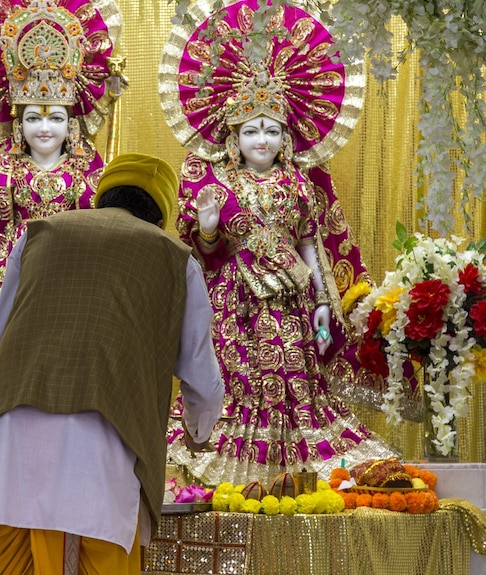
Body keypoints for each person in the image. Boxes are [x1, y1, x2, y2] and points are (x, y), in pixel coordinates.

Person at [159, 0, 408, 487]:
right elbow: (202, 253)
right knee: (233, 379)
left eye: (272, 130)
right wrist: (209, 225)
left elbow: (310, 243)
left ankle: (294, 465)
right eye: (251, 130)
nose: (262, 139)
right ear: (233, 137)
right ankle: (228, 458)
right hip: (234, 302)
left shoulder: (297, 183)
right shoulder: (215, 182)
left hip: (292, 301)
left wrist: (320, 299)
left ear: (286, 137)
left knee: (300, 381)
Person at [0, 153, 224, 574]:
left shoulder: (37, 233)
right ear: (161, 213)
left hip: (9, 439)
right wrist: (198, 431)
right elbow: (202, 378)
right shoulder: (175, 258)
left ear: (101, 197)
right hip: (107, 445)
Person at [0, 0, 122, 390]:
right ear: (18, 122)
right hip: (14, 273)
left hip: (71, 273)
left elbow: (98, 220)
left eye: (55, 117)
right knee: (7, 365)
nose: (44, 128)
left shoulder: (88, 162)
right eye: (33, 117)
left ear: (71, 123)